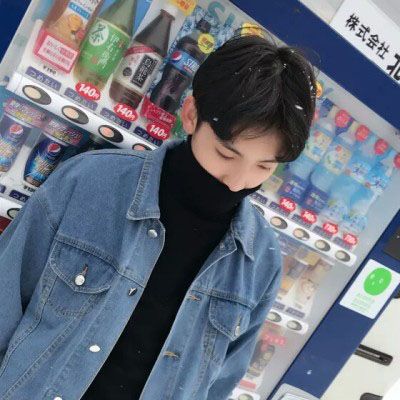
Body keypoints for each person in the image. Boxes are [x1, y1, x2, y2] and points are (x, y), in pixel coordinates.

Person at [0, 34, 316, 400]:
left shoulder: (260, 260)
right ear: (191, 114)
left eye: (264, 166)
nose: (237, 182)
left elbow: (219, 383)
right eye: (226, 155)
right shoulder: (90, 182)